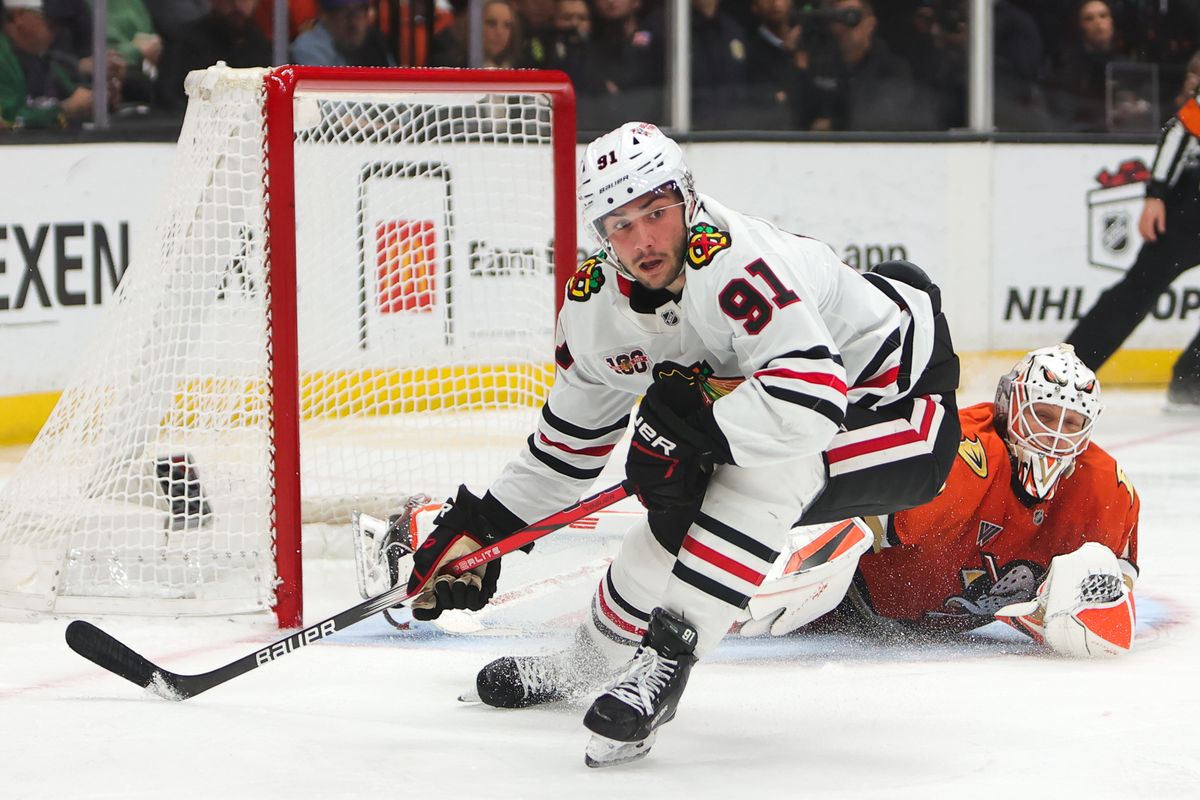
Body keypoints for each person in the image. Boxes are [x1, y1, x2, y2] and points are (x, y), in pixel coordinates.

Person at [387, 122, 961, 767]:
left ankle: (666, 660)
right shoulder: (595, 311)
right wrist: (487, 529)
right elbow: (564, 452)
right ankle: (586, 661)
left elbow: (813, 402)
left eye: (655, 212)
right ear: (598, 232)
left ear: (688, 201)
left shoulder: (737, 263)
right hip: (794, 402)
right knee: (681, 491)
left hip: (900, 404)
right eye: (619, 224)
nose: (642, 240)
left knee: (758, 471)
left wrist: (697, 436)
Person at [739, 344, 1139, 659]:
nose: (1054, 437)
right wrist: (755, 579)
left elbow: (1111, 610)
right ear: (1010, 405)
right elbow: (848, 521)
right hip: (848, 602)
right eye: (1044, 416)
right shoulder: (964, 456)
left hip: (922, 621)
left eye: (1071, 423)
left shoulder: (1104, 488)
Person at [1066, 57, 1200, 408]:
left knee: (1136, 291)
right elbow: (1181, 131)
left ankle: (1192, 381)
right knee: (1137, 292)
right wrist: (1156, 194)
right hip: (1190, 209)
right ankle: (1066, 372)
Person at [155, 0, 271, 113]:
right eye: (229, 1)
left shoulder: (266, 48)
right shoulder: (185, 43)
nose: (237, 6)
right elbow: (171, 100)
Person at [0, 0, 93, 128]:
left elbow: (75, 96)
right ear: (19, 15)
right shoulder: (3, 58)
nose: (57, 31)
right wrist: (64, 110)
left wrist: (98, 101)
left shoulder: (44, 57)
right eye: (51, 24)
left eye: (61, 25)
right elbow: (7, 122)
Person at [290, 0, 393, 67]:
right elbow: (324, 95)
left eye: (359, 9)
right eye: (343, 11)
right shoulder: (309, 46)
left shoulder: (375, 42)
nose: (352, 19)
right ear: (325, 14)